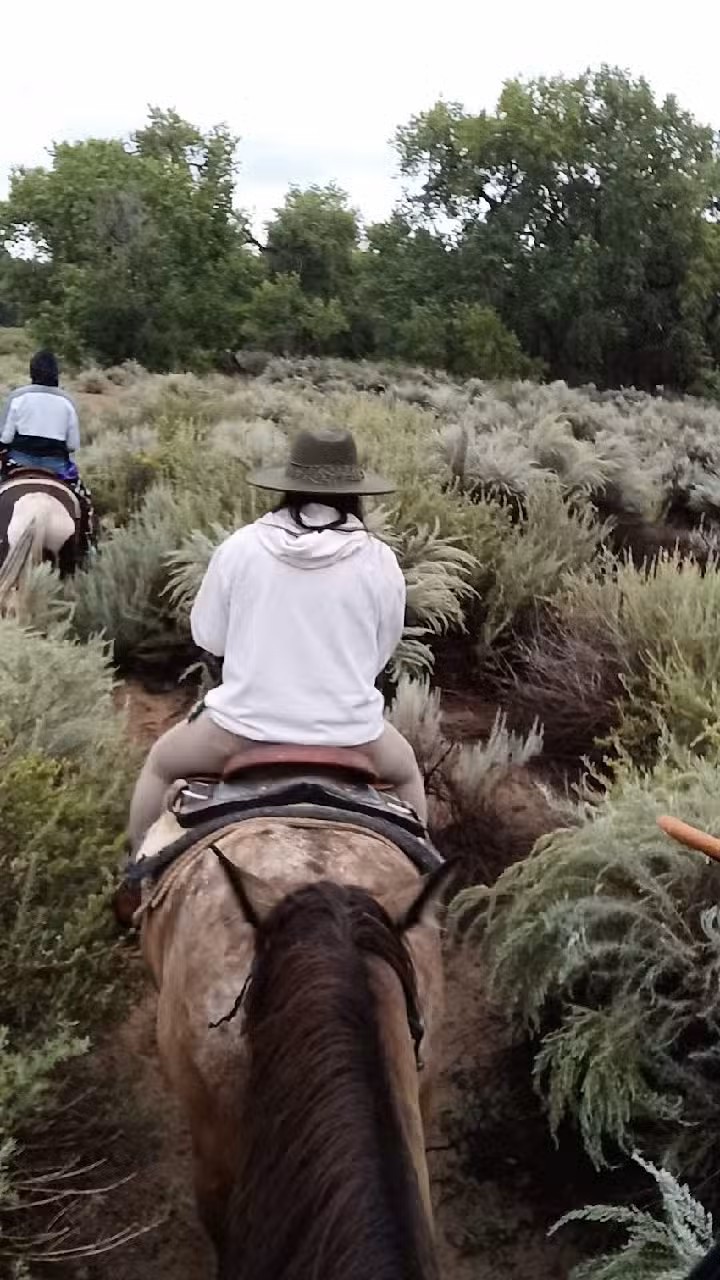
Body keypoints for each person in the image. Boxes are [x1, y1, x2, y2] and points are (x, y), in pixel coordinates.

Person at [128, 427, 427, 850]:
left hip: (241, 727)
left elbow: (209, 636)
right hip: (351, 734)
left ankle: (136, 876)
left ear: (288, 485)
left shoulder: (241, 547)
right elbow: (380, 655)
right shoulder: (379, 560)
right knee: (408, 774)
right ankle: (427, 894)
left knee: (160, 764)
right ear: (353, 490)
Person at [0, 349, 96, 555]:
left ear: (32, 372)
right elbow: (73, 445)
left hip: (18, 463)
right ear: (56, 373)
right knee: (84, 502)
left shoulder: (17, 397)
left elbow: (5, 438)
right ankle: (89, 548)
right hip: (57, 467)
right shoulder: (67, 402)